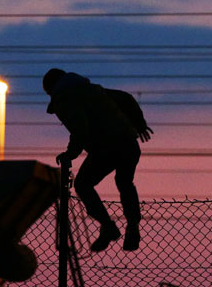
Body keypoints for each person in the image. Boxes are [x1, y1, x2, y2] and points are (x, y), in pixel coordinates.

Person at [43, 68, 152, 252]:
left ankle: (108, 226)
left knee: (83, 185)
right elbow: (125, 98)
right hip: (128, 143)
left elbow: (80, 127)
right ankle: (132, 225)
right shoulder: (93, 89)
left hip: (106, 148)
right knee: (125, 182)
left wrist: (71, 153)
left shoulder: (65, 99)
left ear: (51, 89)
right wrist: (139, 123)